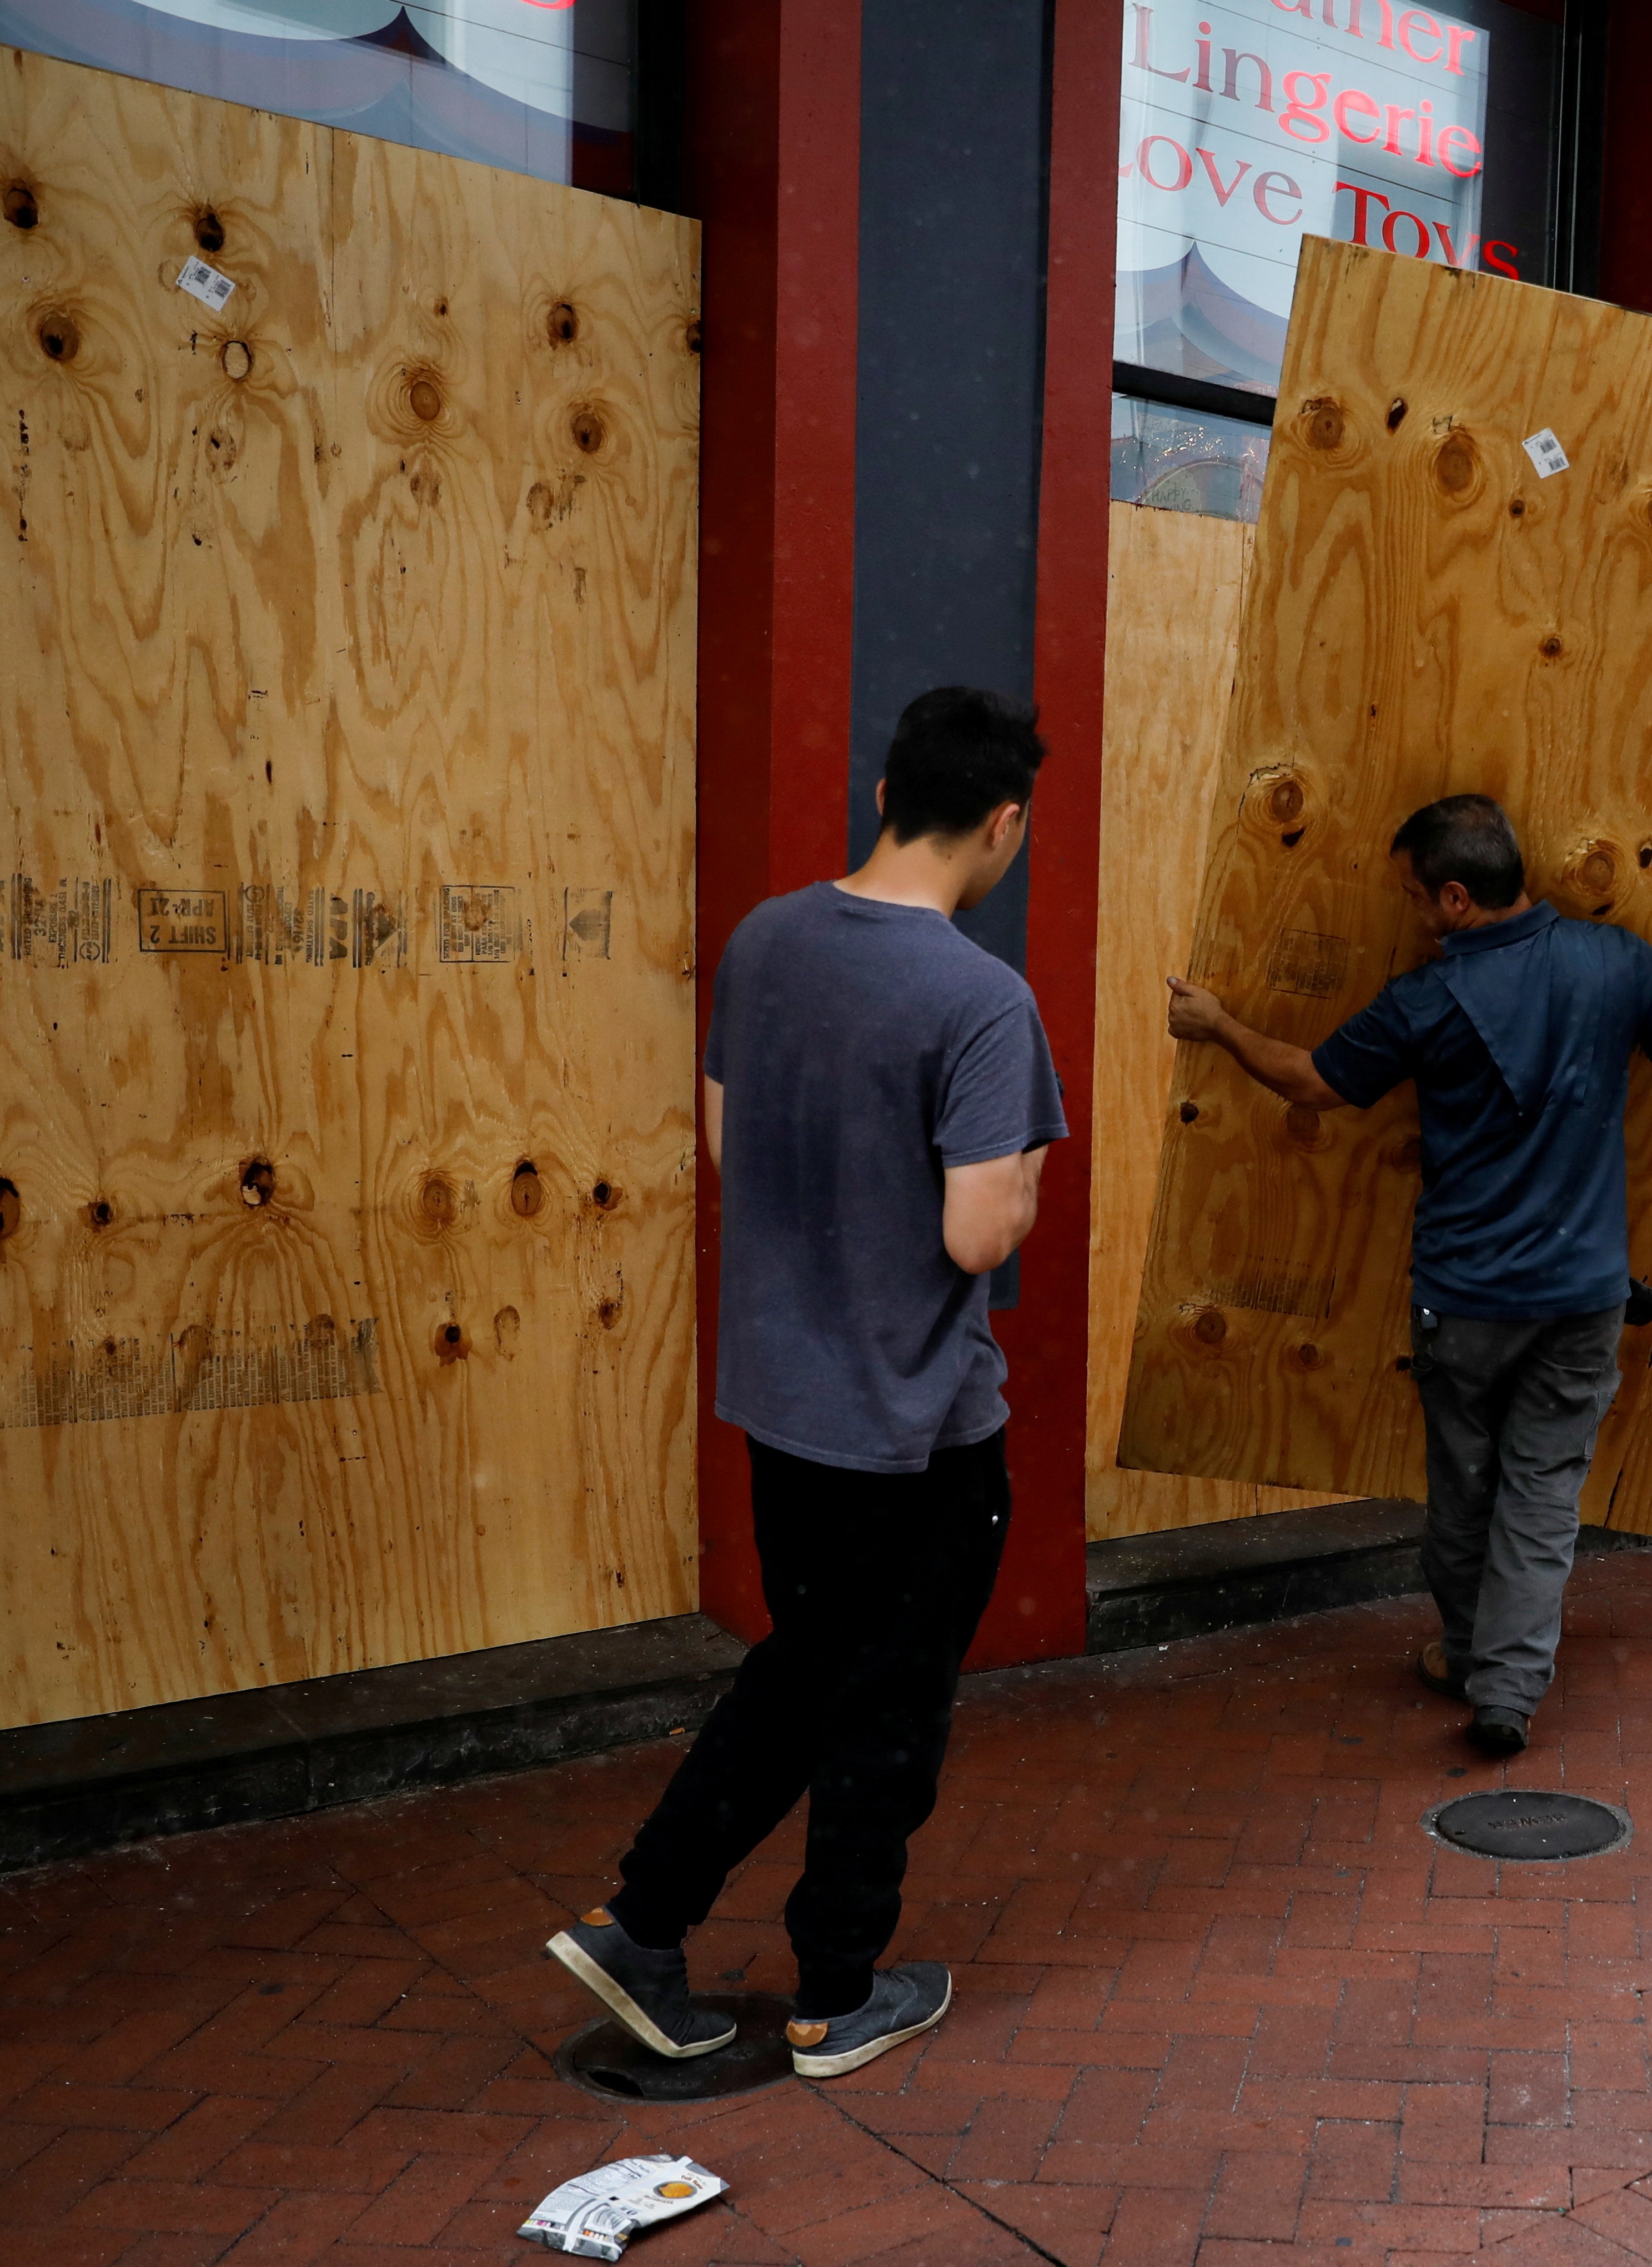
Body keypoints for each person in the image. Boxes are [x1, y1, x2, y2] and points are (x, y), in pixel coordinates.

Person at [546, 686, 1065, 2079]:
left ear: (888, 787)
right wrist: (1016, 1182)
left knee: (811, 1665)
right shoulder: (979, 998)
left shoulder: (767, 940)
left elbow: (727, 1142)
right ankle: (839, 1992)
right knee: (882, 1705)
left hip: (786, 1405)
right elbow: (974, 1233)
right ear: (1004, 821)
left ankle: (644, 1921)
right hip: (916, 1429)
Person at [1165, 794, 1652, 1755]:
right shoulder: (1613, 963)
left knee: (1464, 1487)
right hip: (1580, 1298)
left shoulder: (1425, 1000)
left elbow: (1309, 1080)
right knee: (1540, 1496)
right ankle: (1508, 1691)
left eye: (1413, 896)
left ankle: (1463, 1652)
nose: (1409, 914)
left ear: (1455, 898)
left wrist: (1219, 1025)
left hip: (1467, 1301)